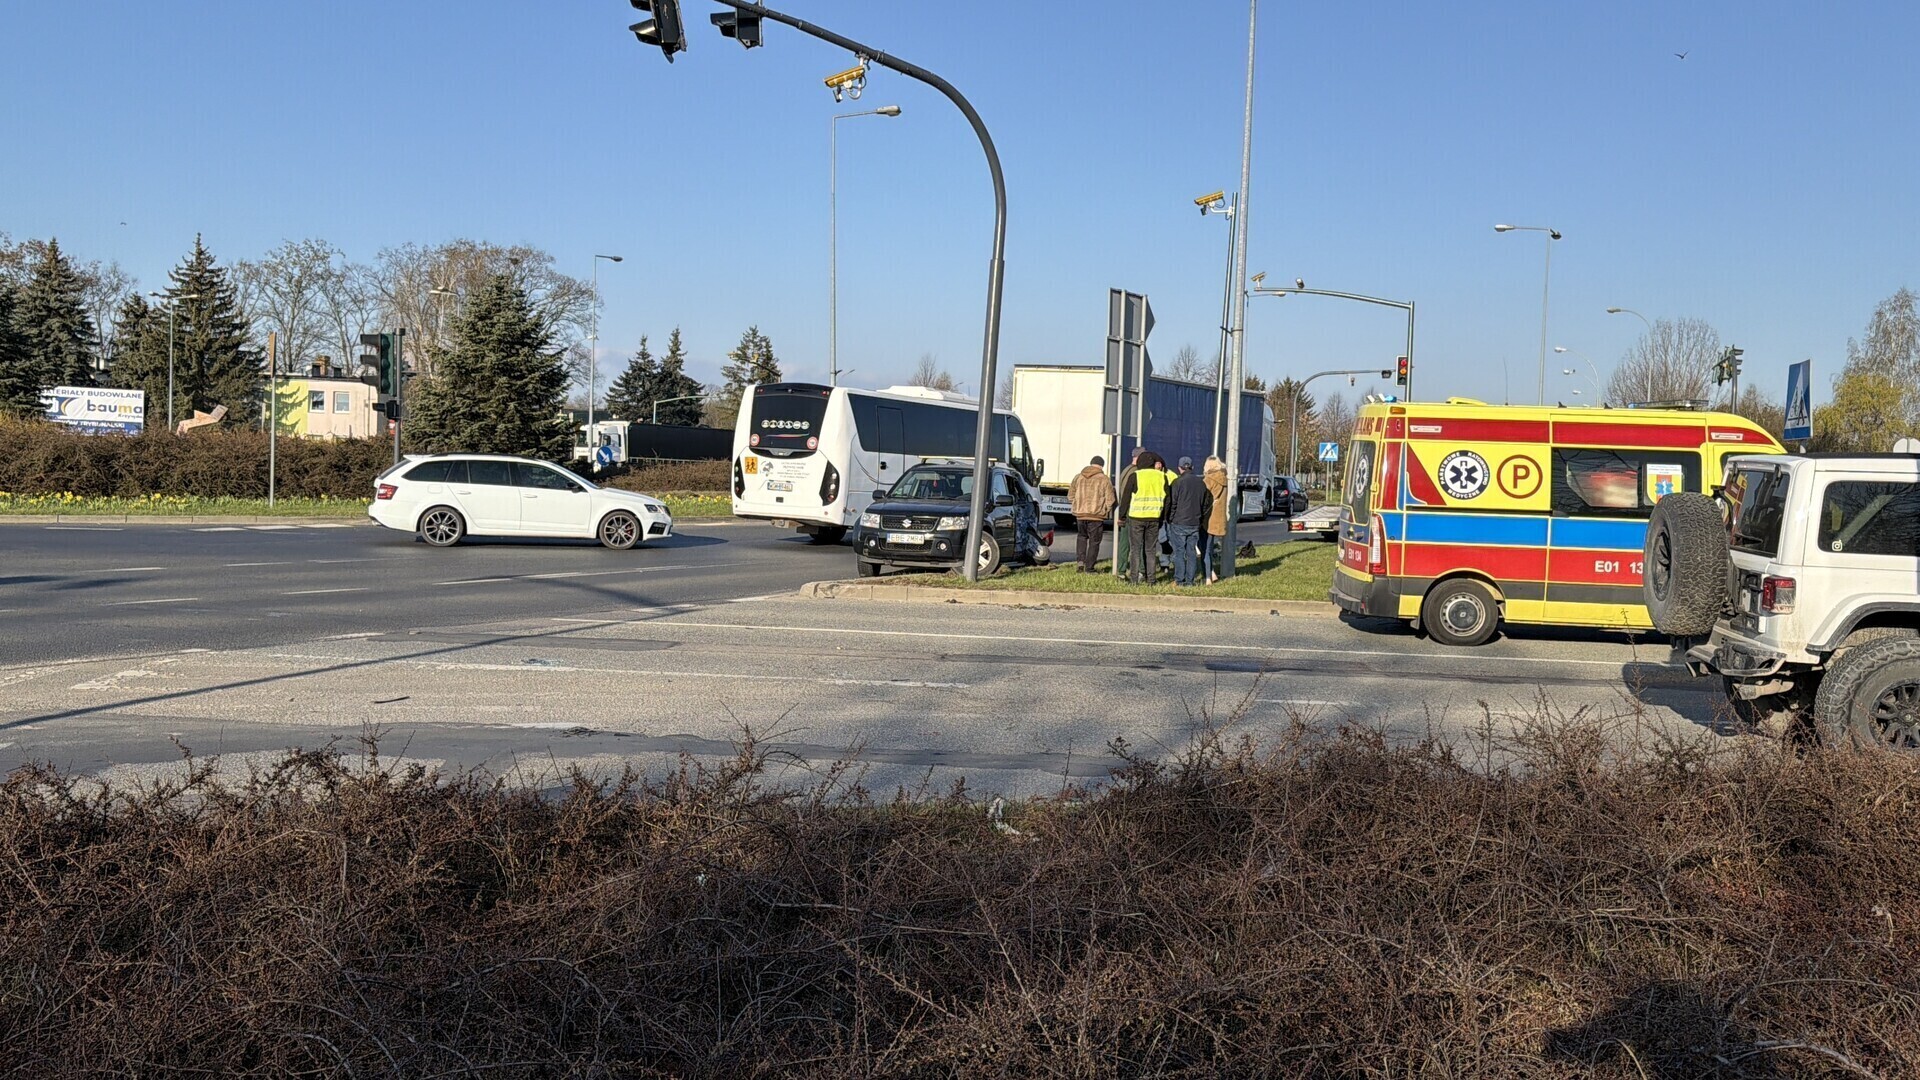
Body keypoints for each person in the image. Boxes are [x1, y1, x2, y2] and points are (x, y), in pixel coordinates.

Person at [1115, 449, 1166, 584]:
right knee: (1150, 550)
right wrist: (1163, 517)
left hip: (1136, 517)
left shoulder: (1135, 476)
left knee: (1135, 550)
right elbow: (1167, 498)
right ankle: (1151, 579)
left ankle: (1133, 580)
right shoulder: (1161, 477)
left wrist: (1122, 516)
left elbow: (1125, 498)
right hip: (1154, 517)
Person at [1163, 455, 1212, 587]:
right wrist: (1201, 517)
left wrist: (1170, 518)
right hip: (1194, 522)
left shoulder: (1177, 483)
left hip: (1179, 522)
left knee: (1179, 552)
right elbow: (1206, 502)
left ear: (1179, 468)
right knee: (1191, 552)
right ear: (1192, 467)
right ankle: (1190, 581)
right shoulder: (1201, 483)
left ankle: (1179, 580)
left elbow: (1172, 503)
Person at [1067, 454, 1115, 573]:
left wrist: (1077, 504)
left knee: (1082, 537)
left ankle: (1080, 563)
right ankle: (1090, 567)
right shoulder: (1104, 479)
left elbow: (1070, 495)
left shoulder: (1078, 477)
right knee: (1094, 542)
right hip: (1096, 515)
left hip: (1080, 514)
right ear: (1101, 466)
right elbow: (1111, 499)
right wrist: (1105, 509)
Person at [1202, 455, 1229, 585]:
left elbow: (1204, 498)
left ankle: (1208, 577)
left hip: (1208, 517)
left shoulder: (1208, 480)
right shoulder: (1224, 479)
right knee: (1210, 548)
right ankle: (1211, 572)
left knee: (1205, 549)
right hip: (1219, 517)